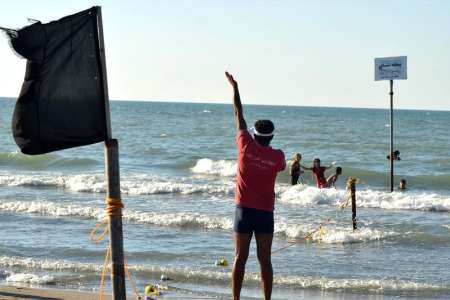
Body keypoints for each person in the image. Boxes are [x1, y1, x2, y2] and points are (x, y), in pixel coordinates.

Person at [225, 71, 285, 300]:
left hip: (243, 211)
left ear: (254, 133)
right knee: (265, 260)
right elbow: (281, 168)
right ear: (271, 136)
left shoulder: (245, 146)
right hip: (265, 212)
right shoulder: (278, 156)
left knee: (240, 257)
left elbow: (238, 113)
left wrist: (235, 87)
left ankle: (235, 299)